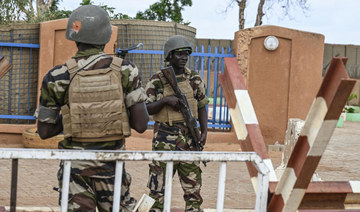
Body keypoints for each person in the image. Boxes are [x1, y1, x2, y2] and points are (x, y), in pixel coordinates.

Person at [35, 5, 149, 212]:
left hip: (75, 173)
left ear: (73, 36)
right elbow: (141, 125)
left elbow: (44, 131)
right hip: (113, 170)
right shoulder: (126, 70)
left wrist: (74, 112)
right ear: (106, 36)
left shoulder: (57, 76)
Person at [145, 35, 209, 212]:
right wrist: (164, 101)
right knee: (157, 188)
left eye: (186, 54)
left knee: (193, 188)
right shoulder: (158, 79)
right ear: (170, 56)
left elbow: (203, 105)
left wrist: (204, 131)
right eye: (179, 54)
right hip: (165, 137)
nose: (183, 58)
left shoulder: (194, 78)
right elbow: (146, 108)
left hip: (189, 137)